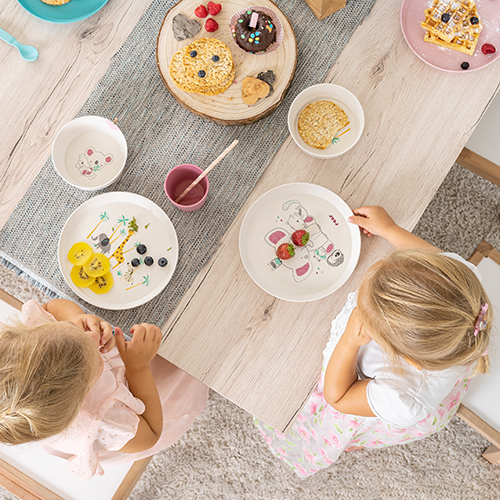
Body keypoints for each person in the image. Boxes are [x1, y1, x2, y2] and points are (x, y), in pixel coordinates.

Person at [254, 206, 492, 477]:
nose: (378, 266)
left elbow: (339, 397)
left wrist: (349, 343)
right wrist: (390, 230)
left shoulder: (400, 398)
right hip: (440, 365)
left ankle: (354, 438)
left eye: (366, 308)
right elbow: (433, 259)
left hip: (377, 400)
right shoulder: (460, 285)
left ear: (398, 353)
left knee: (336, 422)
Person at [0, 298, 208, 479]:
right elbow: (151, 433)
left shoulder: (30, 343)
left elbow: (51, 307)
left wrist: (76, 318)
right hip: (141, 401)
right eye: (92, 353)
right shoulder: (105, 421)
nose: (91, 336)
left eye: (71, 331)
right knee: (192, 358)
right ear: (86, 389)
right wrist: (138, 367)